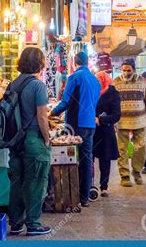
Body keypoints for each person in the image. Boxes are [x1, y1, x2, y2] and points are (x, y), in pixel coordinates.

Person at [8, 47, 51, 236]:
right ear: (39, 63)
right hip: (33, 139)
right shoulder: (38, 86)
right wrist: (48, 138)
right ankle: (33, 224)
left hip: (15, 141)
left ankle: (16, 224)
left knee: (17, 182)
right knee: (35, 181)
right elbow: (42, 116)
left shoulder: (13, 84)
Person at [51, 52, 100, 207]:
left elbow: (65, 102)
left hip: (76, 125)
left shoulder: (75, 77)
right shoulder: (95, 80)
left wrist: (51, 113)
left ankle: (69, 197)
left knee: (69, 159)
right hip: (90, 124)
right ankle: (84, 197)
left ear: (74, 62)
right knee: (86, 160)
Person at [112, 59, 146, 187]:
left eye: (128, 70)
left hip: (140, 121)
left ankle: (136, 171)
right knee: (121, 150)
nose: (125, 72)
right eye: (123, 70)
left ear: (134, 70)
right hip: (121, 121)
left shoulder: (141, 81)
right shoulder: (116, 82)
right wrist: (112, 119)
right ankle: (124, 176)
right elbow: (112, 103)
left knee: (141, 148)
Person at [92, 71, 121, 197]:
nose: (98, 82)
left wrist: (101, 120)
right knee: (89, 158)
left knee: (105, 159)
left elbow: (116, 115)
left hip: (105, 130)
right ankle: (90, 185)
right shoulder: (93, 91)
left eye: (100, 79)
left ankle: (104, 187)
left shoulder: (113, 93)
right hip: (92, 129)